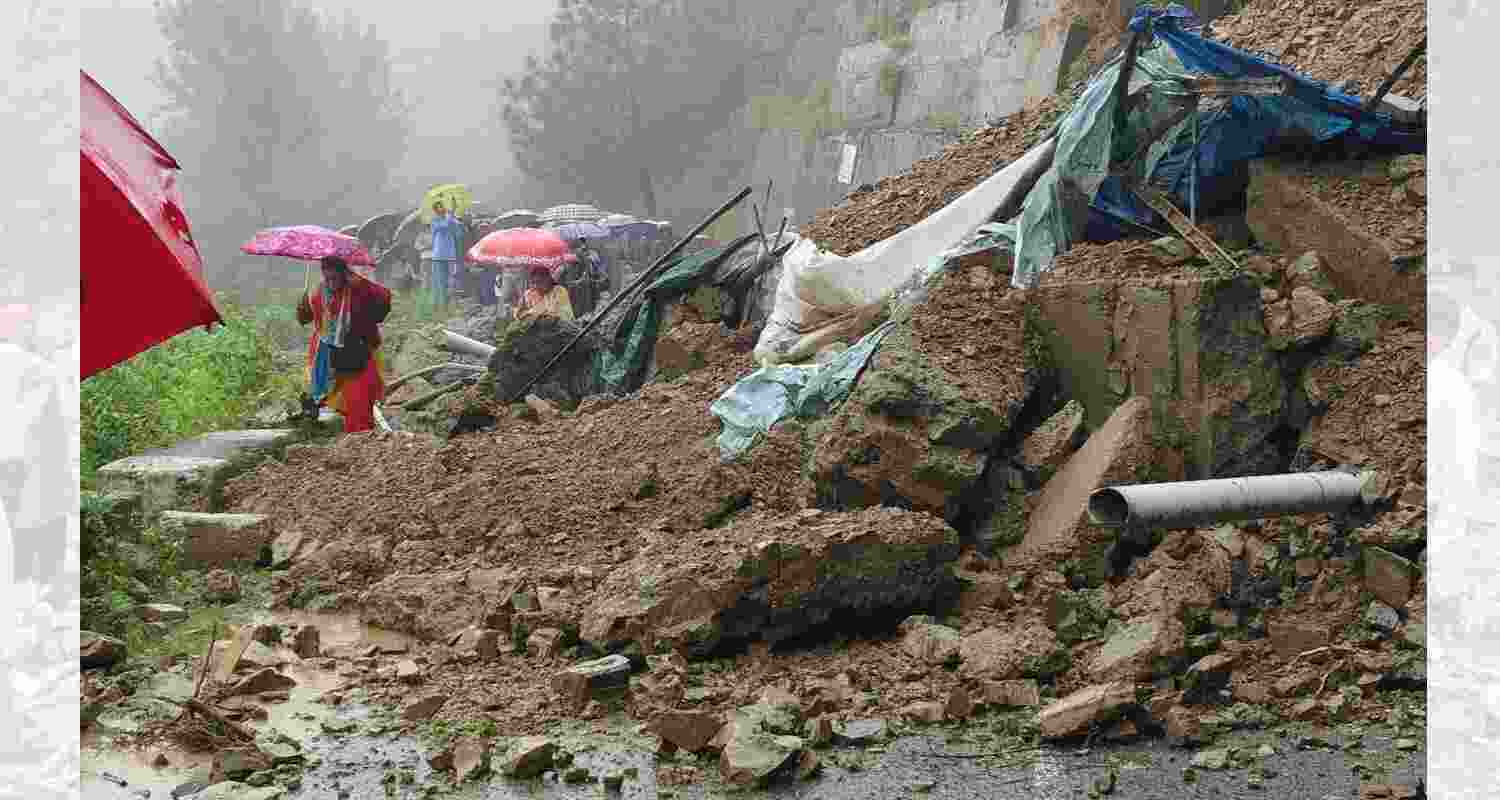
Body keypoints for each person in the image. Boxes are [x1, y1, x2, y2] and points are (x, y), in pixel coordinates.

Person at [296, 256, 393, 433]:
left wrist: (361, 285)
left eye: (334, 278)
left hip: (359, 352)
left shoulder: (358, 288)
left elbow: (383, 304)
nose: (331, 282)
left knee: (360, 399)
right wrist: (302, 307)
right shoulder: (318, 293)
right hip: (331, 356)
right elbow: (306, 319)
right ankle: (357, 438)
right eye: (327, 278)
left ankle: (360, 438)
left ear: (344, 273)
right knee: (349, 401)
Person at [429, 201, 464, 309]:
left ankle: (449, 303)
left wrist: (456, 224)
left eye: (442, 207)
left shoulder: (451, 220)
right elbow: (443, 226)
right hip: (438, 257)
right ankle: (438, 304)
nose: (441, 210)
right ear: (435, 211)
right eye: (438, 208)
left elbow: (459, 235)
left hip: (450, 256)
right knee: (439, 282)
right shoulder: (434, 221)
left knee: (452, 280)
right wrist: (452, 214)